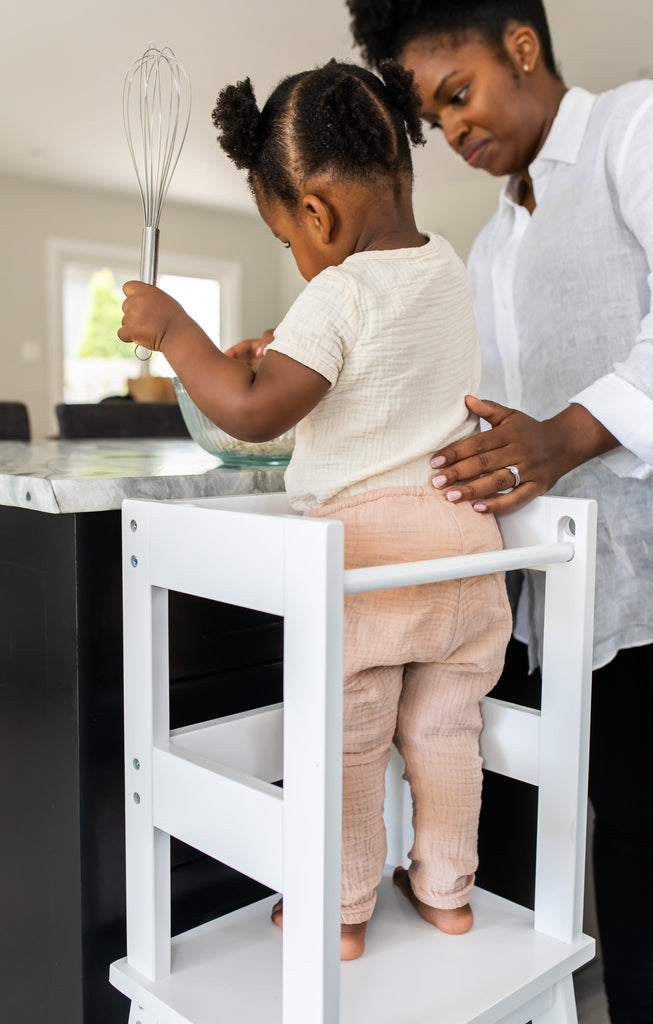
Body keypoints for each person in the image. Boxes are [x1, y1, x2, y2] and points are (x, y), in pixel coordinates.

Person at [118, 58, 511, 961]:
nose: (295, 259)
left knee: (348, 737)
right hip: (462, 552)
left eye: (284, 237)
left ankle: (337, 910)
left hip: (368, 562)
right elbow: (383, 383)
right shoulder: (443, 265)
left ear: (318, 216)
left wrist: (177, 331)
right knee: (448, 731)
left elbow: (254, 410)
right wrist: (273, 353)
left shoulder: (336, 291)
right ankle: (449, 891)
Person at [345, 0, 653, 1020]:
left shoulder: (640, 125)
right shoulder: (488, 249)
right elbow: (471, 409)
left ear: (521, 46)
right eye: (433, 115)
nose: (452, 129)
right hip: (587, 597)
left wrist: (563, 437)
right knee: (628, 827)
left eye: (458, 93)